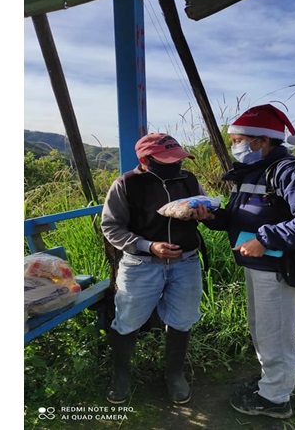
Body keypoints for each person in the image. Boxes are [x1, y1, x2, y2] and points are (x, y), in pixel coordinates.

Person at [193, 104, 295, 419]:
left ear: (263, 141)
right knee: (262, 329)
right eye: (233, 141)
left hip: (279, 269)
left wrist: (265, 239)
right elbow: (241, 218)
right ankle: (270, 383)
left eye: (239, 140)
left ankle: (275, 399)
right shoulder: (253, 172)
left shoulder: (292, 171)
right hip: (256, 266)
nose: (235, 146)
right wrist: (212, 217)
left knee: (276, 335)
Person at [100, 133, 206, 405]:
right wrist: (148, 246)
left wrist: (205, 213)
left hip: (186, 263)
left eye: (179, 159)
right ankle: (121, 374)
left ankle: (174, 374)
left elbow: (205, 207)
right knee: (128, 320)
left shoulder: (188, 180)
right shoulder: (126, 184)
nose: (176, 165)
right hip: (141, 265)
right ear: (146, 160)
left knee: (182, 319)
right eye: (168, 160)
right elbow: (111, 226)